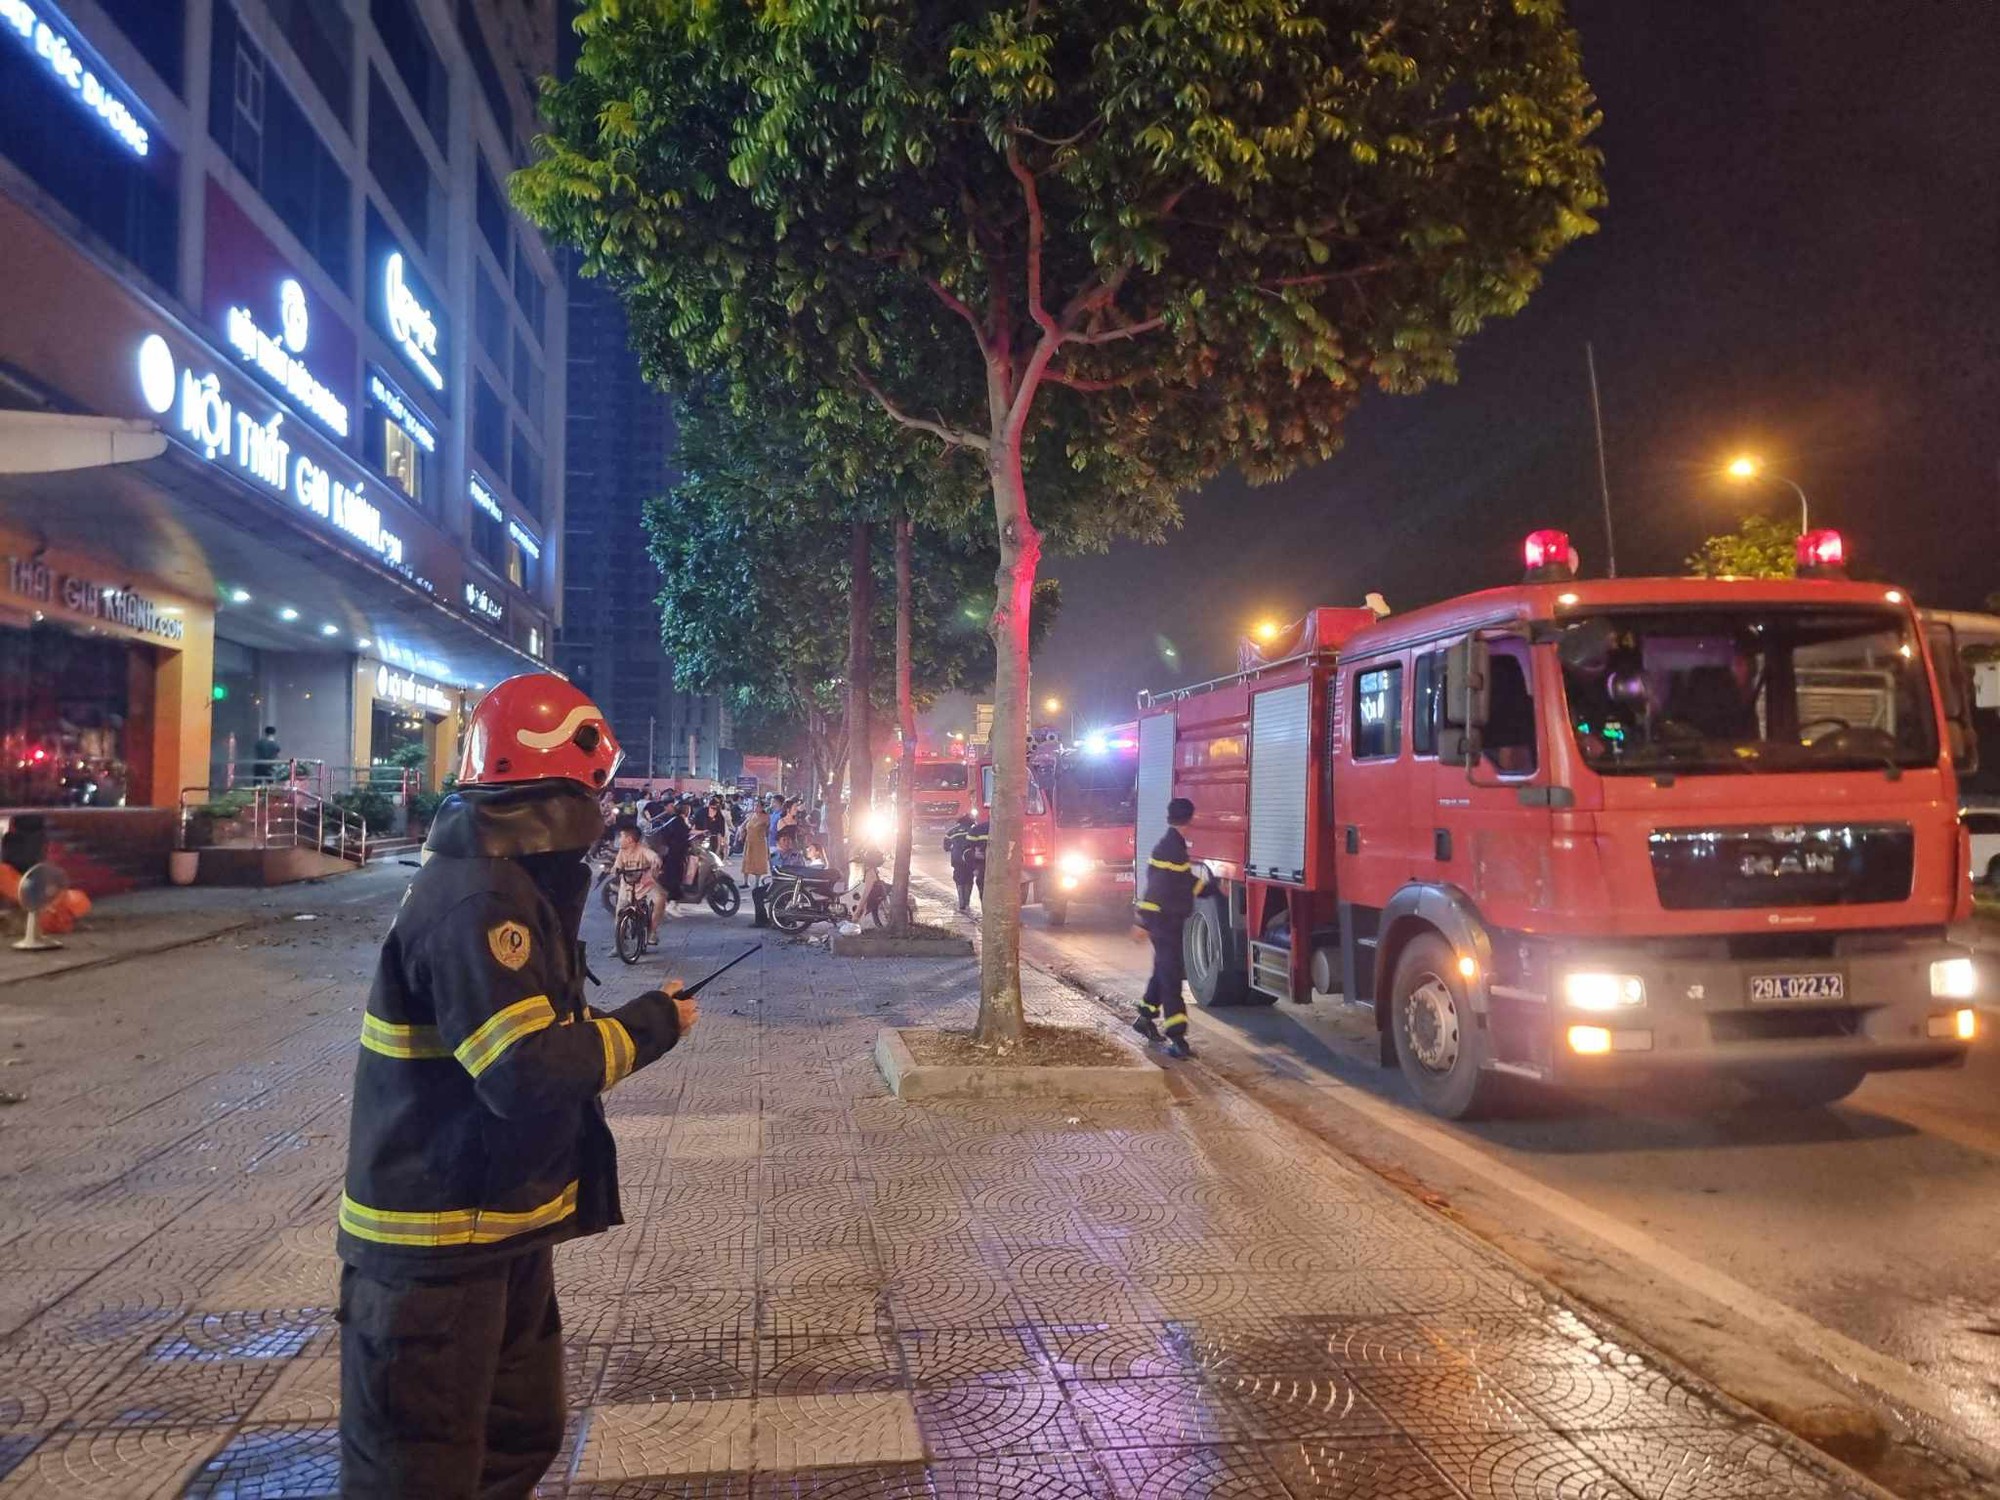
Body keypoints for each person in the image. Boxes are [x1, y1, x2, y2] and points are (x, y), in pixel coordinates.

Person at [337, 673, 699, 1498]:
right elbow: (523, 1068)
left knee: (520, 1438)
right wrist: (651, 1026)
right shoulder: (476, 901)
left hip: (497, 1233)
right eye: (593, 794)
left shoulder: (511, 888)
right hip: (433, 1260)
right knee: (419, 1474)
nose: (602, 817)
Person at [1134, 796, 1206, 1059]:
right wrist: (1143, 922)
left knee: (1163, 971)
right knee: (1171, 978)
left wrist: (1210, 890)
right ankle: (1177, 1038)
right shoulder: (1171, 848)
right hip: (1164, 924)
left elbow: (1183, 880)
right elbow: (1157, 888)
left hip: (1167, 923)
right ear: (1190, 819)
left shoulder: (1172, 846)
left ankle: (1145, 1017)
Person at [606, 817, 668, 935]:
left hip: (646, 885)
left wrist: (656, 861)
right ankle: (619, 944)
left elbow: (653, 856)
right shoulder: (622, 852)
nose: (619, 839)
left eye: (621, 837)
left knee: (660, 899)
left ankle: (652, 932)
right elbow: (617, 866)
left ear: (629, 840)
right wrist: (614, 870)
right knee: (619, 913)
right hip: (627, 886)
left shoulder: (643, 850)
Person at [654, 797, 692, 912]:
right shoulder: (678, 821)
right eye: (687, 809)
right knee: (674, 877)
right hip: (675, 853)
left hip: (677, 852)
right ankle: (670, 904)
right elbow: (682, 834)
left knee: (677, 876)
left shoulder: (678, 820)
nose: (689, 811)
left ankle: (674, 903)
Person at [741, 797, 772, 927]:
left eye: (758, 806)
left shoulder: (766, 818)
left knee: (758, 862)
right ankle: (745, 881)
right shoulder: (751, 815)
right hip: (750, 841)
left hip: (760, 842)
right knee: (747, 861)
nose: (756, 807)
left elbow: (769, 831)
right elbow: (744, 825)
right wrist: (741, 833)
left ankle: (757, 882)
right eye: (755, 805)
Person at [942, 812, 978, 912]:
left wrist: (953, 849)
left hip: (956, 860)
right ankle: (967, 903)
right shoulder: (973, 830)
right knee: (969, 880)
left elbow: (946, 847)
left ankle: (961, 902)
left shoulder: (951, 832)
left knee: (959, 880)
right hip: (969, 859)